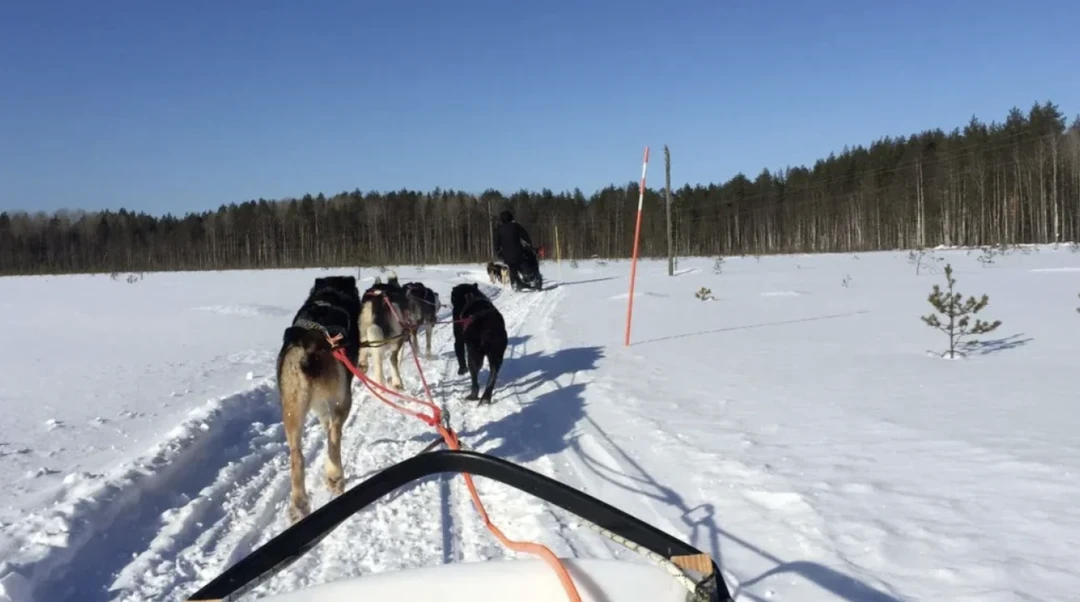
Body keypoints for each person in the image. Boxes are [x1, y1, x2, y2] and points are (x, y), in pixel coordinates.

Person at [493, 210, 535, 291]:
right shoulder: (515, 226)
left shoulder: (499, 229)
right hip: (518, 252)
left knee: (512, 267)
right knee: (523, 262)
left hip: (506, 255)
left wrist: (498, 253)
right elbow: (525, 235)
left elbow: (496, 243)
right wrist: (529, 243)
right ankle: (530, 277)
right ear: (511, 217)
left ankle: (515, 283)